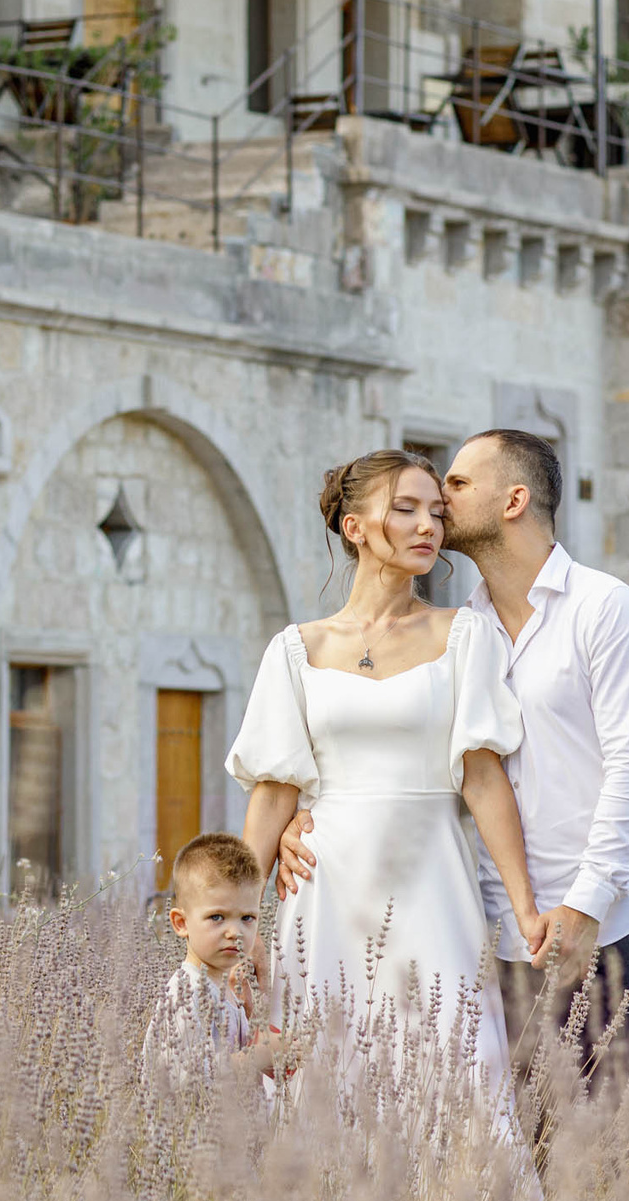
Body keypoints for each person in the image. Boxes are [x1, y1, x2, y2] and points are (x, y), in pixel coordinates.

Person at [280, 429, 629, 1092]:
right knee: (538, 1164)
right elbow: (418, 756)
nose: (440, 496)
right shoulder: (464, 629)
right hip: (504, 939)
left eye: (458, 485)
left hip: (613, 928)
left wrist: (583, 907)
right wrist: (306, 815)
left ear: (514, 499)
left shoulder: (607, 610)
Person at [230, 449, 549, 1098]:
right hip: (324, 892)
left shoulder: (465, 635)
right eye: (405, 509)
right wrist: (238, 926)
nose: (428, 524)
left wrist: (526, 907)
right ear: (355, 528)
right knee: (325, 1080)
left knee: (457, 1073)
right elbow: (272, 795)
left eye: (437, 511)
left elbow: (484, 780)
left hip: (432, 884)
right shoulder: (295, 650)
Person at [144, 832, 285, 1087]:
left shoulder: (228, 991)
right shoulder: (186, 994)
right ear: (181, 923)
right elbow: (182, 1078)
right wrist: (252, 1059)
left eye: (247, 918)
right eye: (217, 917)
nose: (235, 932)